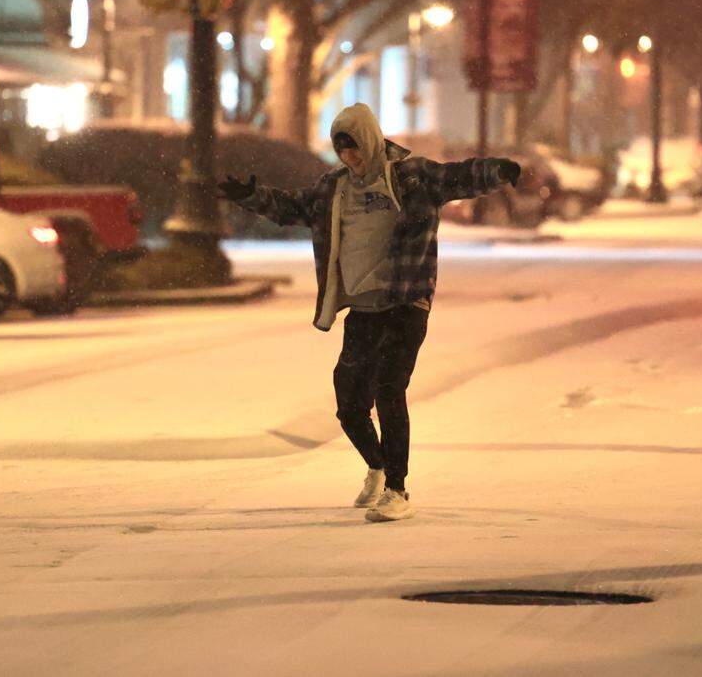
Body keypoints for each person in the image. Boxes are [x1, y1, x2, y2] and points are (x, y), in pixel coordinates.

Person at [219, 103, 521, 521]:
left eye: (356, 150)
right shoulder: (335, 188)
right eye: (343, 152)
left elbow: (458, 176)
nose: (351, 159)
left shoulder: (411, 176)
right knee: (349, 402)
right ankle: (377, 468)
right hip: (363, 306)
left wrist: (498, 171)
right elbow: (294, 208)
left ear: (372, 142)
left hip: (405, 300)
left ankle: (398, 490)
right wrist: (250, 197)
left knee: (389, 389)